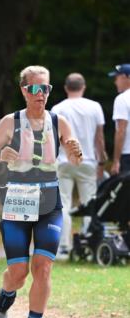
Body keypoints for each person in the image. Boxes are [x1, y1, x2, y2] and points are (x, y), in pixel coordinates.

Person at [0, 65, 83, 318]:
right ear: (24, 90)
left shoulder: (58, 121)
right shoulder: (10, 122)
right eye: (36, 89)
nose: (42, 94)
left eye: (46, 88)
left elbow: (75, 158)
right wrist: (1, 154)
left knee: (43, 266)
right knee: (18, 273)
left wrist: (76, 152)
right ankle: (5, 298)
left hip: (50, 200)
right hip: (18, 198)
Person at [50, 73, 106, 258]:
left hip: (64, 161)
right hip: (88, 160)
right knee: (89, 203)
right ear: (84, 87)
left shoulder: (58, 108)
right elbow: (99, 137)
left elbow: (54, 138)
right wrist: (102, 160)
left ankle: (63, 246)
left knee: (63, 203)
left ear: (66, 88)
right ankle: (90, 242)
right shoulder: (94, 107)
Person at [109, 63, 130, 175]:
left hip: (128, 154)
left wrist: (116, 161)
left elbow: (121, 130)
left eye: (116, 78)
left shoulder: (122, 99)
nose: (115, 82)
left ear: (126, 77)